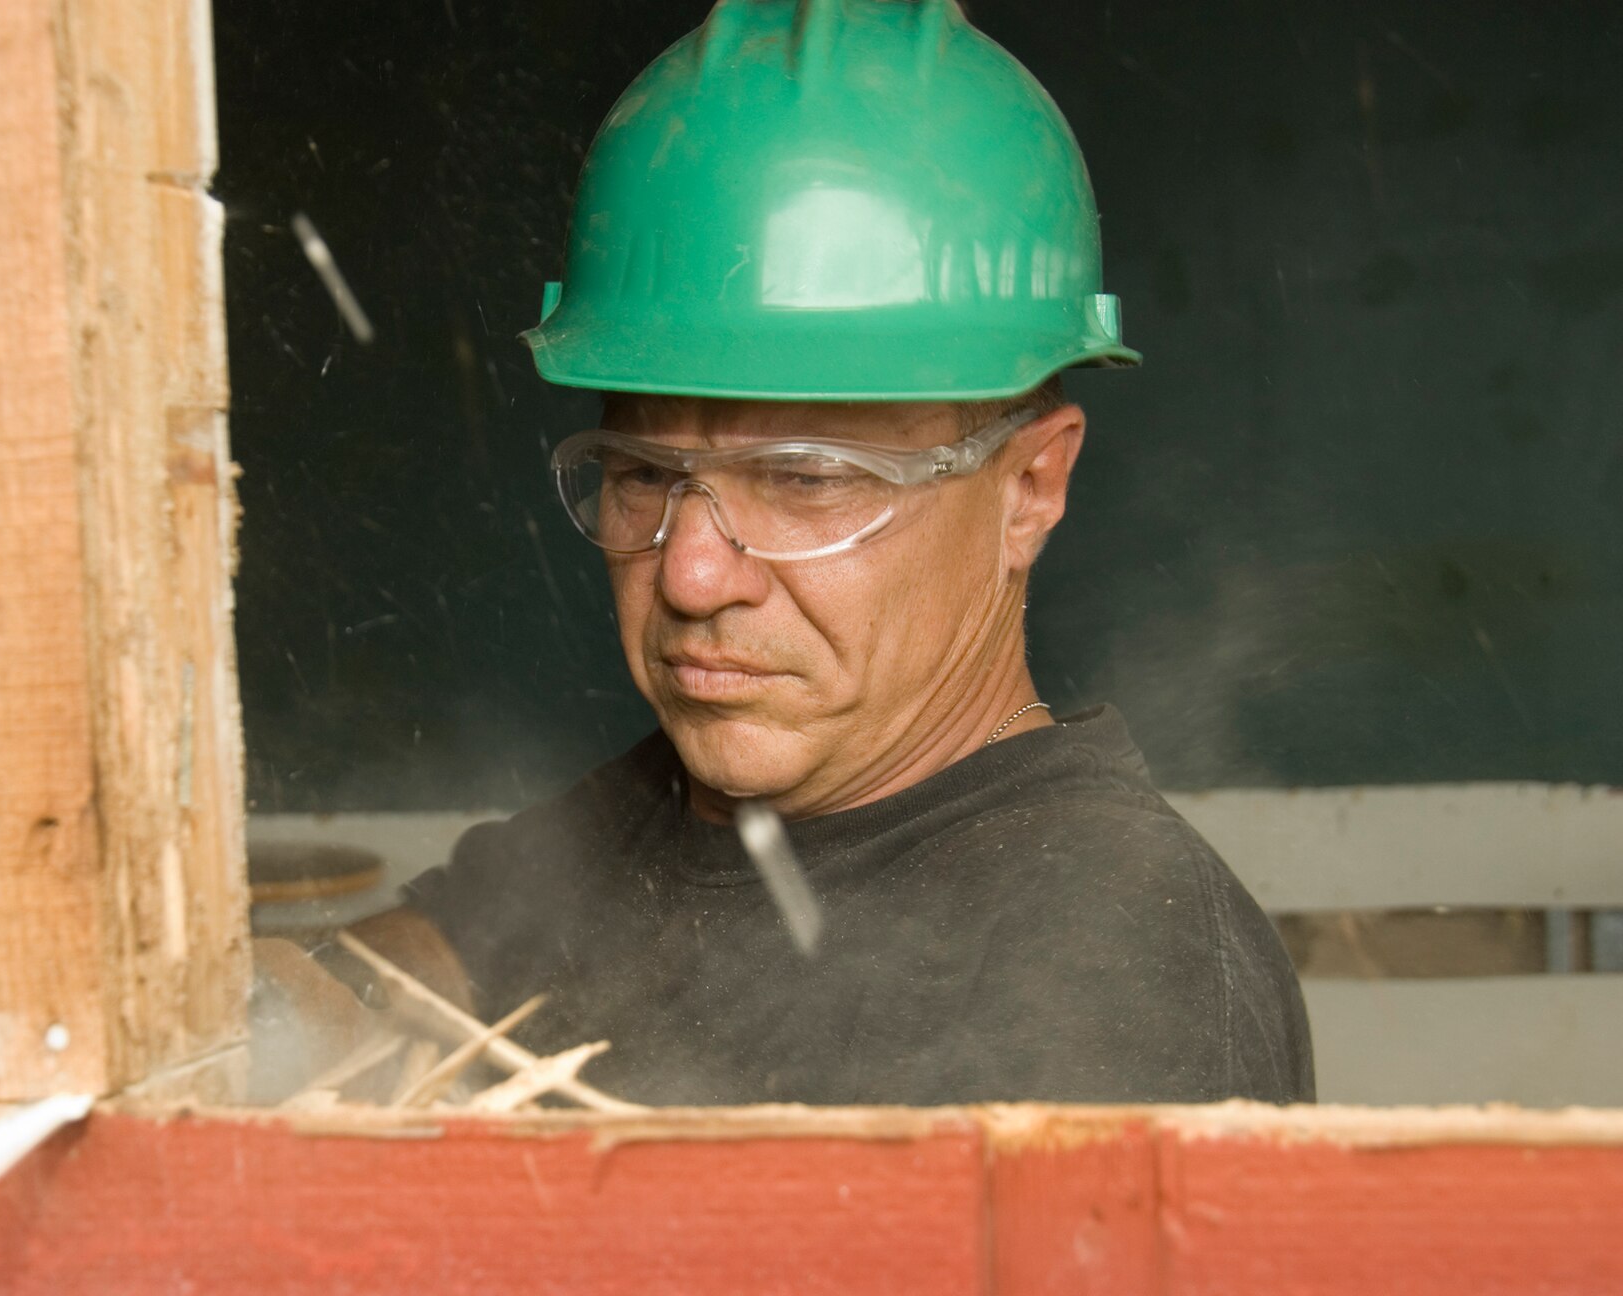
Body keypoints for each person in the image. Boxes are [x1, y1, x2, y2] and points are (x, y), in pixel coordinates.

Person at [260, 0, 1313, 1106]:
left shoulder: (1123, 964)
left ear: (1027, 488)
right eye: (644, 476)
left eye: (803, 479)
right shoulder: (675, 809)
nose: (689, 576)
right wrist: (258, 1018)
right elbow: (423, 957)